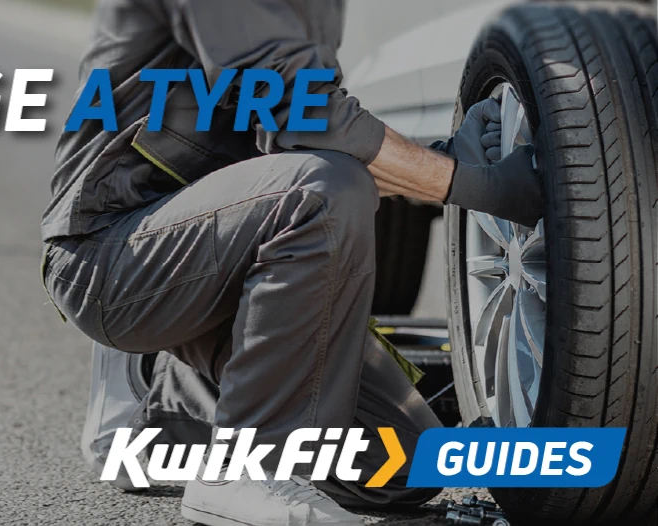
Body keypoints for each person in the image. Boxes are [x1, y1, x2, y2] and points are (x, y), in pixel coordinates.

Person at [41, 1, 542, 525]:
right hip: (113, 257)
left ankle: (163, 403)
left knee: (399, 466)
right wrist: (468, 183)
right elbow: (305, 126)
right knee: (321, 193)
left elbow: (299, 138)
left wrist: (445, 157)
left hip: (226, 254)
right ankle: (244, 471)